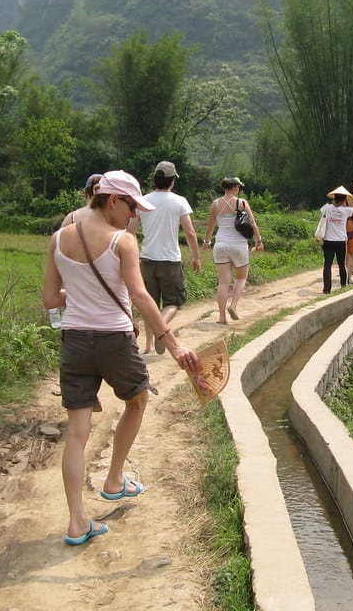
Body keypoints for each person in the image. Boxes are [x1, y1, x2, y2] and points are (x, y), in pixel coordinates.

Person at [43, 170, 200, 546]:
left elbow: (51, 300)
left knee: (77, 434)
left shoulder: (58, 239)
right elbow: (142, 297)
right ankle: (114, 480)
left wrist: (79, 292)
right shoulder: (123, 242)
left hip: (75, 341)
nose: (134, 216)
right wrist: (173, 345)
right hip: (114, 339)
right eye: (132, 207)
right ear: (112, 200)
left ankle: (78, 522)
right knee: (138, 399)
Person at [137, 161, 201, 355]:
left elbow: (129, 230)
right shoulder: (179, 201)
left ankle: (148, 346)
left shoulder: (143, 201)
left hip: (146, 259)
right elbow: (189, 232)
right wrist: (196, 257)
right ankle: (161, 329)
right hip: (170, 260)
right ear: (172, 181)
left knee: (150, 304)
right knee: (174, 302)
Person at [203, 176, 263, 323]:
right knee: (241, 278)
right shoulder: (241, 203)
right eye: (239, 188)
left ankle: (222, 317)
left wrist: (207, 241)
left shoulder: (215, 204)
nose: (239, 190)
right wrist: (258, 241)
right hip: (238, 245)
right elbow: (253, 224)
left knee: (223, 282)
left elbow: (210, 226)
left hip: (221, 244)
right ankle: (234, 306)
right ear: (235, 188)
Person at [321, 185, 353, 293]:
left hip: (328, 241)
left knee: (327, 264)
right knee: (341, 264)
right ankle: (343, 285)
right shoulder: (346, 211)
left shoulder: (326, 208)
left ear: (334, 198)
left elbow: (322, 218)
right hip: (340, 241)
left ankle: (326, 289)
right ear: (345, 199)